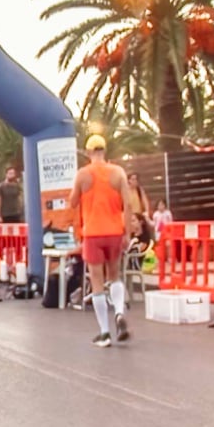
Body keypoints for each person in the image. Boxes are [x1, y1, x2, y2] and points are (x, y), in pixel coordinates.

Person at [72, 132, 131, 344]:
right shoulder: (118, 172)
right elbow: (128, 205)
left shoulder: (83, 174)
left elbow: (72, 202)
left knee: (97, 281)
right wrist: (127, 233)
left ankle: (105, 332)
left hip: (93, 233)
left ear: (88, 152)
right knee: (114, 275)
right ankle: (119, 312)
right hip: (115, 231)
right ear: (104, 151)